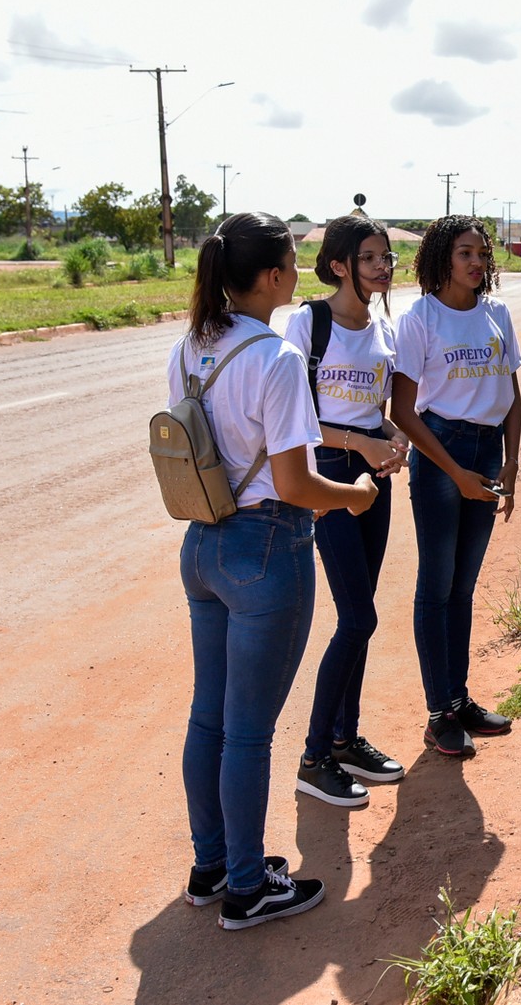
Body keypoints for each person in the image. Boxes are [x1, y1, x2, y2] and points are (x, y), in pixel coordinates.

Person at [168, 211, 379, 930]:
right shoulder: (277, 359)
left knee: (210, 714)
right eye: (291, 259)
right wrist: (353, 495)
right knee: (249, 730)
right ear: (270, 277)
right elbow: (295, 483)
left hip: (202, 540)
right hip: (265, 546)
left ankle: (213, 864)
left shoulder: (192, 345)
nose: (298, 269)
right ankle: (250, 886)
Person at [284, 214, 411, 808]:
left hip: (374, 479)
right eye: (369, 258)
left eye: (385, 257)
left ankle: (343, 737)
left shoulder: (382, 328)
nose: (383, 266)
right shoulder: (308, 324)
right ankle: (313, 758)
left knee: (360, 614)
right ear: (339, 265)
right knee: (357, 619)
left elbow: (371, 409)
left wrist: (390, 436)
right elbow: (294, 418)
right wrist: (360, 444)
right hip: (328, 477)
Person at [391, 215, 521, 757]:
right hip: (441, 451)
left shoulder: (497, 314)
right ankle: (438, 713)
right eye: (466, 252)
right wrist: (455, 474)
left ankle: (459, 699)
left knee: (464, 588)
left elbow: (513, 394)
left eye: (482, 254)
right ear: (443, 257)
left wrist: (511, 466)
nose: (477, 262)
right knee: (437, 585)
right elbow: (402, 410)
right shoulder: (420, 317)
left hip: (487, 451)